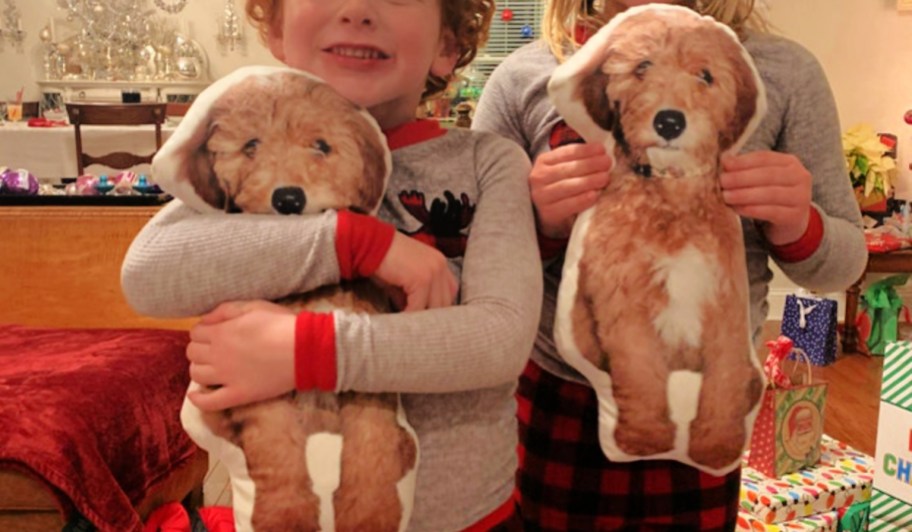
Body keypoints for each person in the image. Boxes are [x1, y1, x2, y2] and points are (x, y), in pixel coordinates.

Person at [121, 0, 543, 529]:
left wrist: (305, 351)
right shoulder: (247, 157)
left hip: (470, 519)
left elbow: (499, 340)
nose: (359, 9)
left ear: (447, 45)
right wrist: (354, 244)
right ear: (276, 28)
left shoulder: (489, 162)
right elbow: (148, 275)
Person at [472, 0, 867, 529]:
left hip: (711, 402)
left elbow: (844, 264)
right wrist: (537, 225)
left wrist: (799, 223)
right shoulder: (526, 78)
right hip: (558, 397)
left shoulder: (781, 73)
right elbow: (473, 270)